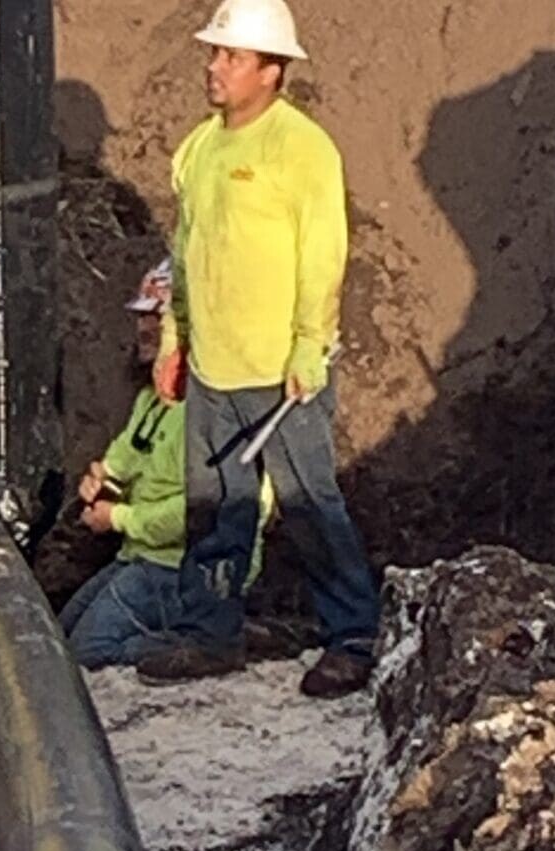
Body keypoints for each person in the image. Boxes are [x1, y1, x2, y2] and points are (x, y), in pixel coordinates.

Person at [139, 0, 382, 697]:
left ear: (272, 71)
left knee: (308, 503)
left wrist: (311, 345)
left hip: (280, 371)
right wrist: (175, 338)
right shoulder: (199, 150)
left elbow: (323, 254)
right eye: (215, 54)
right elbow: (185, 254)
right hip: (215, 367)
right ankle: (210, 634)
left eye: (232, 56)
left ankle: (353, 636)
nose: (215, 67)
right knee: (214, 506)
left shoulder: (301, 149)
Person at [59, 259, 271, 669]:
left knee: (87, 653)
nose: (143, 327)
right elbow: (129, 454)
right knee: (61, 635)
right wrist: (103, 478)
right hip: (143, 555)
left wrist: (119, 517)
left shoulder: (213, 413)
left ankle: (209, 640)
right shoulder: (155, 399)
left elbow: (202, 510)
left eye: (156, 316)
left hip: (181, 568)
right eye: (141, 315)